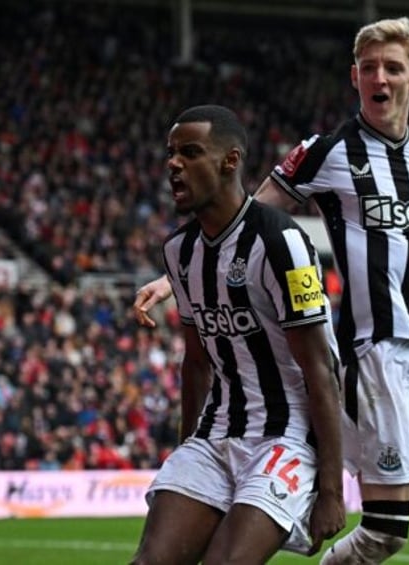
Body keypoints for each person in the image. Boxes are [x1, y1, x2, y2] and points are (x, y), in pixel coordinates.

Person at [133, 18, 409, 564]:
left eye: (394, 67)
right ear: (354, 77)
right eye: (369, 68)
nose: (381, 78)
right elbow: (246, 218)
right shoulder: (329, 150)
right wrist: (173, 278)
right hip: (375, 354)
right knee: (386, 533)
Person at [130, 104, 345, 564]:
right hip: (215, 433)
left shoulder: (282, 242)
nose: (173, 164)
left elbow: (320, 369)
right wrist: (185, 453)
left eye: (189, 153)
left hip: (284, 437)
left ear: (230, 161)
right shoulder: (179, 252)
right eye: (171, 154)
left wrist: (331, 488)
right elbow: (196, 361)